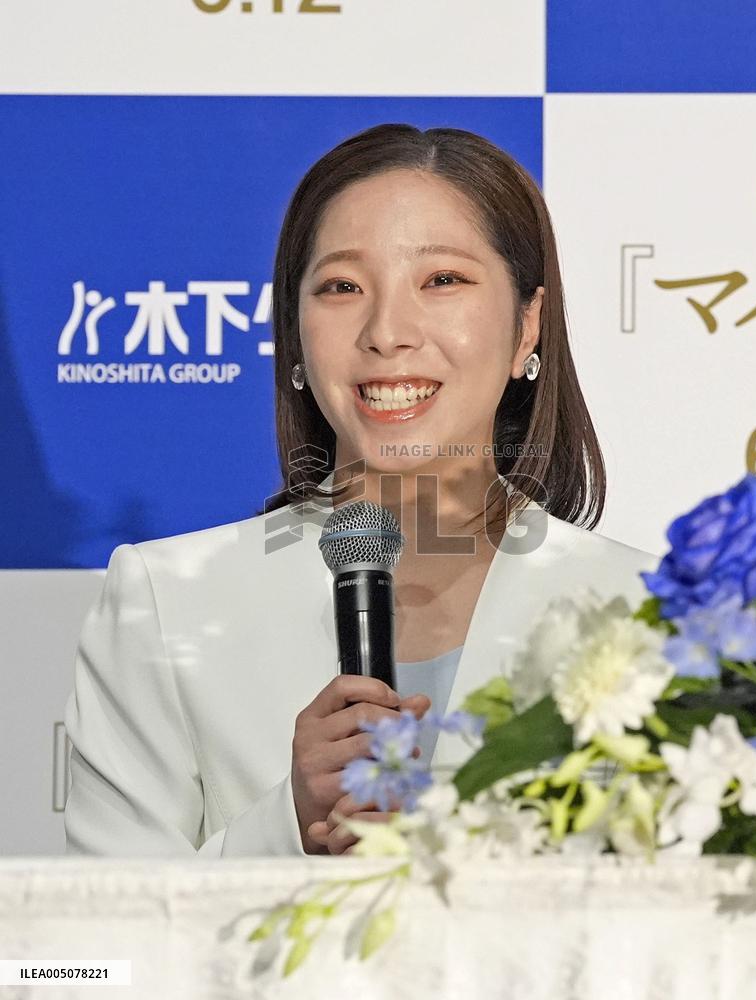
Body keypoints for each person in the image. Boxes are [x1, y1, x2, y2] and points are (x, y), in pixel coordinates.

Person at [63, 123, 658, 858]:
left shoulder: (644, 615)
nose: (387, 331)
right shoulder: (163, 602)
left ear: (526, 326)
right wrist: (288, 829)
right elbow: (94, 963)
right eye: (342, 287)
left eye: (441, 281)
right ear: (295, 334)